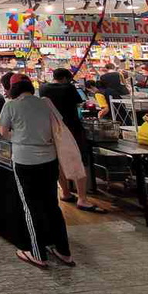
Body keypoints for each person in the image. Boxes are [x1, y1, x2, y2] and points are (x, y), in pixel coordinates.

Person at [0, 74, 74, 269]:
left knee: (30, 206)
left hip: (24, 160)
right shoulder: (45, 103)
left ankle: (37, 253)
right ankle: (64, 251)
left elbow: (4, 133)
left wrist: (20, 136)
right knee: (51, 204)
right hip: (49, 159)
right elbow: (58, 125)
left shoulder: (10, 106)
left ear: (13, 89)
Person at [40, 69, 105, 213]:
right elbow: (79, 103)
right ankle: (82, 198)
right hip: (71, 128)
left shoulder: (43, 88)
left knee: (58, 162)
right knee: (77, 160)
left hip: (51, 129)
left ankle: (65, 192)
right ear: (64, 78)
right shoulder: (68, 88)